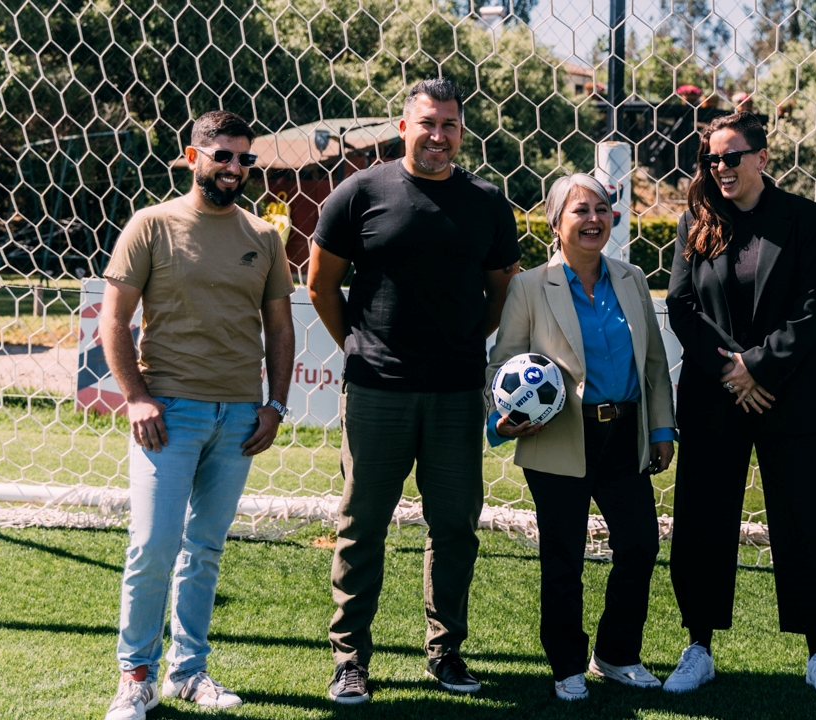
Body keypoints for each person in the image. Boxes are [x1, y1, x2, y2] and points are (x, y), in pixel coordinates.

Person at [308, 77, 521, 705]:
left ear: (462, 130)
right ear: (403, 127)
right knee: (361, 525)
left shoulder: (485, 201)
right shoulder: (361, 192)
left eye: (450, 124)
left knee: (455, 526)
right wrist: (359, 345)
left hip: (456, 394)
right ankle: (350, 659)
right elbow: (322, 284)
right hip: (376, 391)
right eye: (427, 123)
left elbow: (501, 292)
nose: (439, 135)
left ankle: (446, 650)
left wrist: (462, 345)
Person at [100, 110, 295, 720]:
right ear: (193, 157)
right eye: (224, 156)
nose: (236, 168)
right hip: (168, 414)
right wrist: (136, 395)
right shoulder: (151, 225)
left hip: (239, 418)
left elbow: (282, 330)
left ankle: (188, 672)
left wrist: (276, 405)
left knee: (204, 549)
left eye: (246, 159)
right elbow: (113, 320)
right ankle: (136, 677)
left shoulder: (264, 237)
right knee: (154, 544)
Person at [663, 111, 816, 702]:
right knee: (701, 523)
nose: (720, 168)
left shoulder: (801, 217)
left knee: (806, 523)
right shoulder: (696, 219)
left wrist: (759, 367)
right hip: (715, 395)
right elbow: (681, 306)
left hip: (786, 395)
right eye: (710, 160)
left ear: (762, 158)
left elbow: (811, 306)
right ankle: (698, 646)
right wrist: (733, 369)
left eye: (731, 157)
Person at [486, 174, 677, 701]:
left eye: (602, 208)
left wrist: (661, 429)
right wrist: (502, 420)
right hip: (559, 438)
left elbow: (655, 363)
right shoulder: (530, 286)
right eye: (579, 211)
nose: (593, 219)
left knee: (640, 545)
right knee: (564, 558)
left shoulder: (633, 278)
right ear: (555, 223)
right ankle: (567, 664)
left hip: (625, 435)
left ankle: (616, 655)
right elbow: (502, 363)